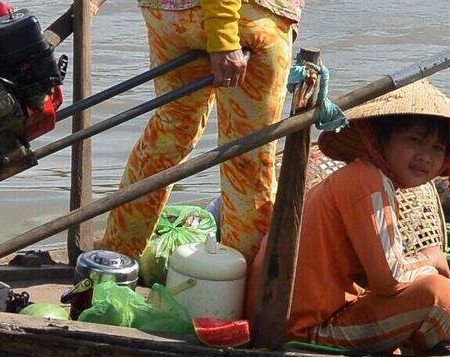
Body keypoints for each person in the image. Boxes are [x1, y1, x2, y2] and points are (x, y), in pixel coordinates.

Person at [245, 80, 450, 355]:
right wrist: (431, 259)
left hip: (292, 318)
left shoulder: (363, 178)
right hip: (303, 331)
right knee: (439, 294)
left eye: (438, 148)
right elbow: (390, 279)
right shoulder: (368, 181)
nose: (425, 156)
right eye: (414, 140)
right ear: (381, 139)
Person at [97, 0, 303, 262]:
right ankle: (248, 276)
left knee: (170, 131)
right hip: (245, 19)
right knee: (247, 153)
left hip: (167, 18)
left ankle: (114, 256)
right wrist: (223, 38)